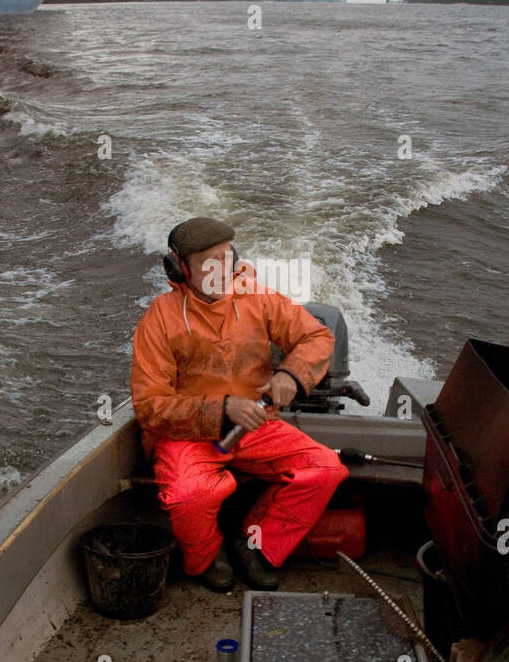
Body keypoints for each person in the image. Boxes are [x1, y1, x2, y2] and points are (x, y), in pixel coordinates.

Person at [130, 217, 349, 591]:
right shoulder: (159, 318)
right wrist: (221, 408)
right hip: (187, 433)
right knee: (189, 495)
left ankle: (254, 546)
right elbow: (150, 405)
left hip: (256, 424)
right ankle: (205, 557)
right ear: (180, 269)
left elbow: (315, 336)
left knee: (325, 468)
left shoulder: (256, 297)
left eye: (226, 257)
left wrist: (291, 375)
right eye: (207, 262)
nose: (222, 270)